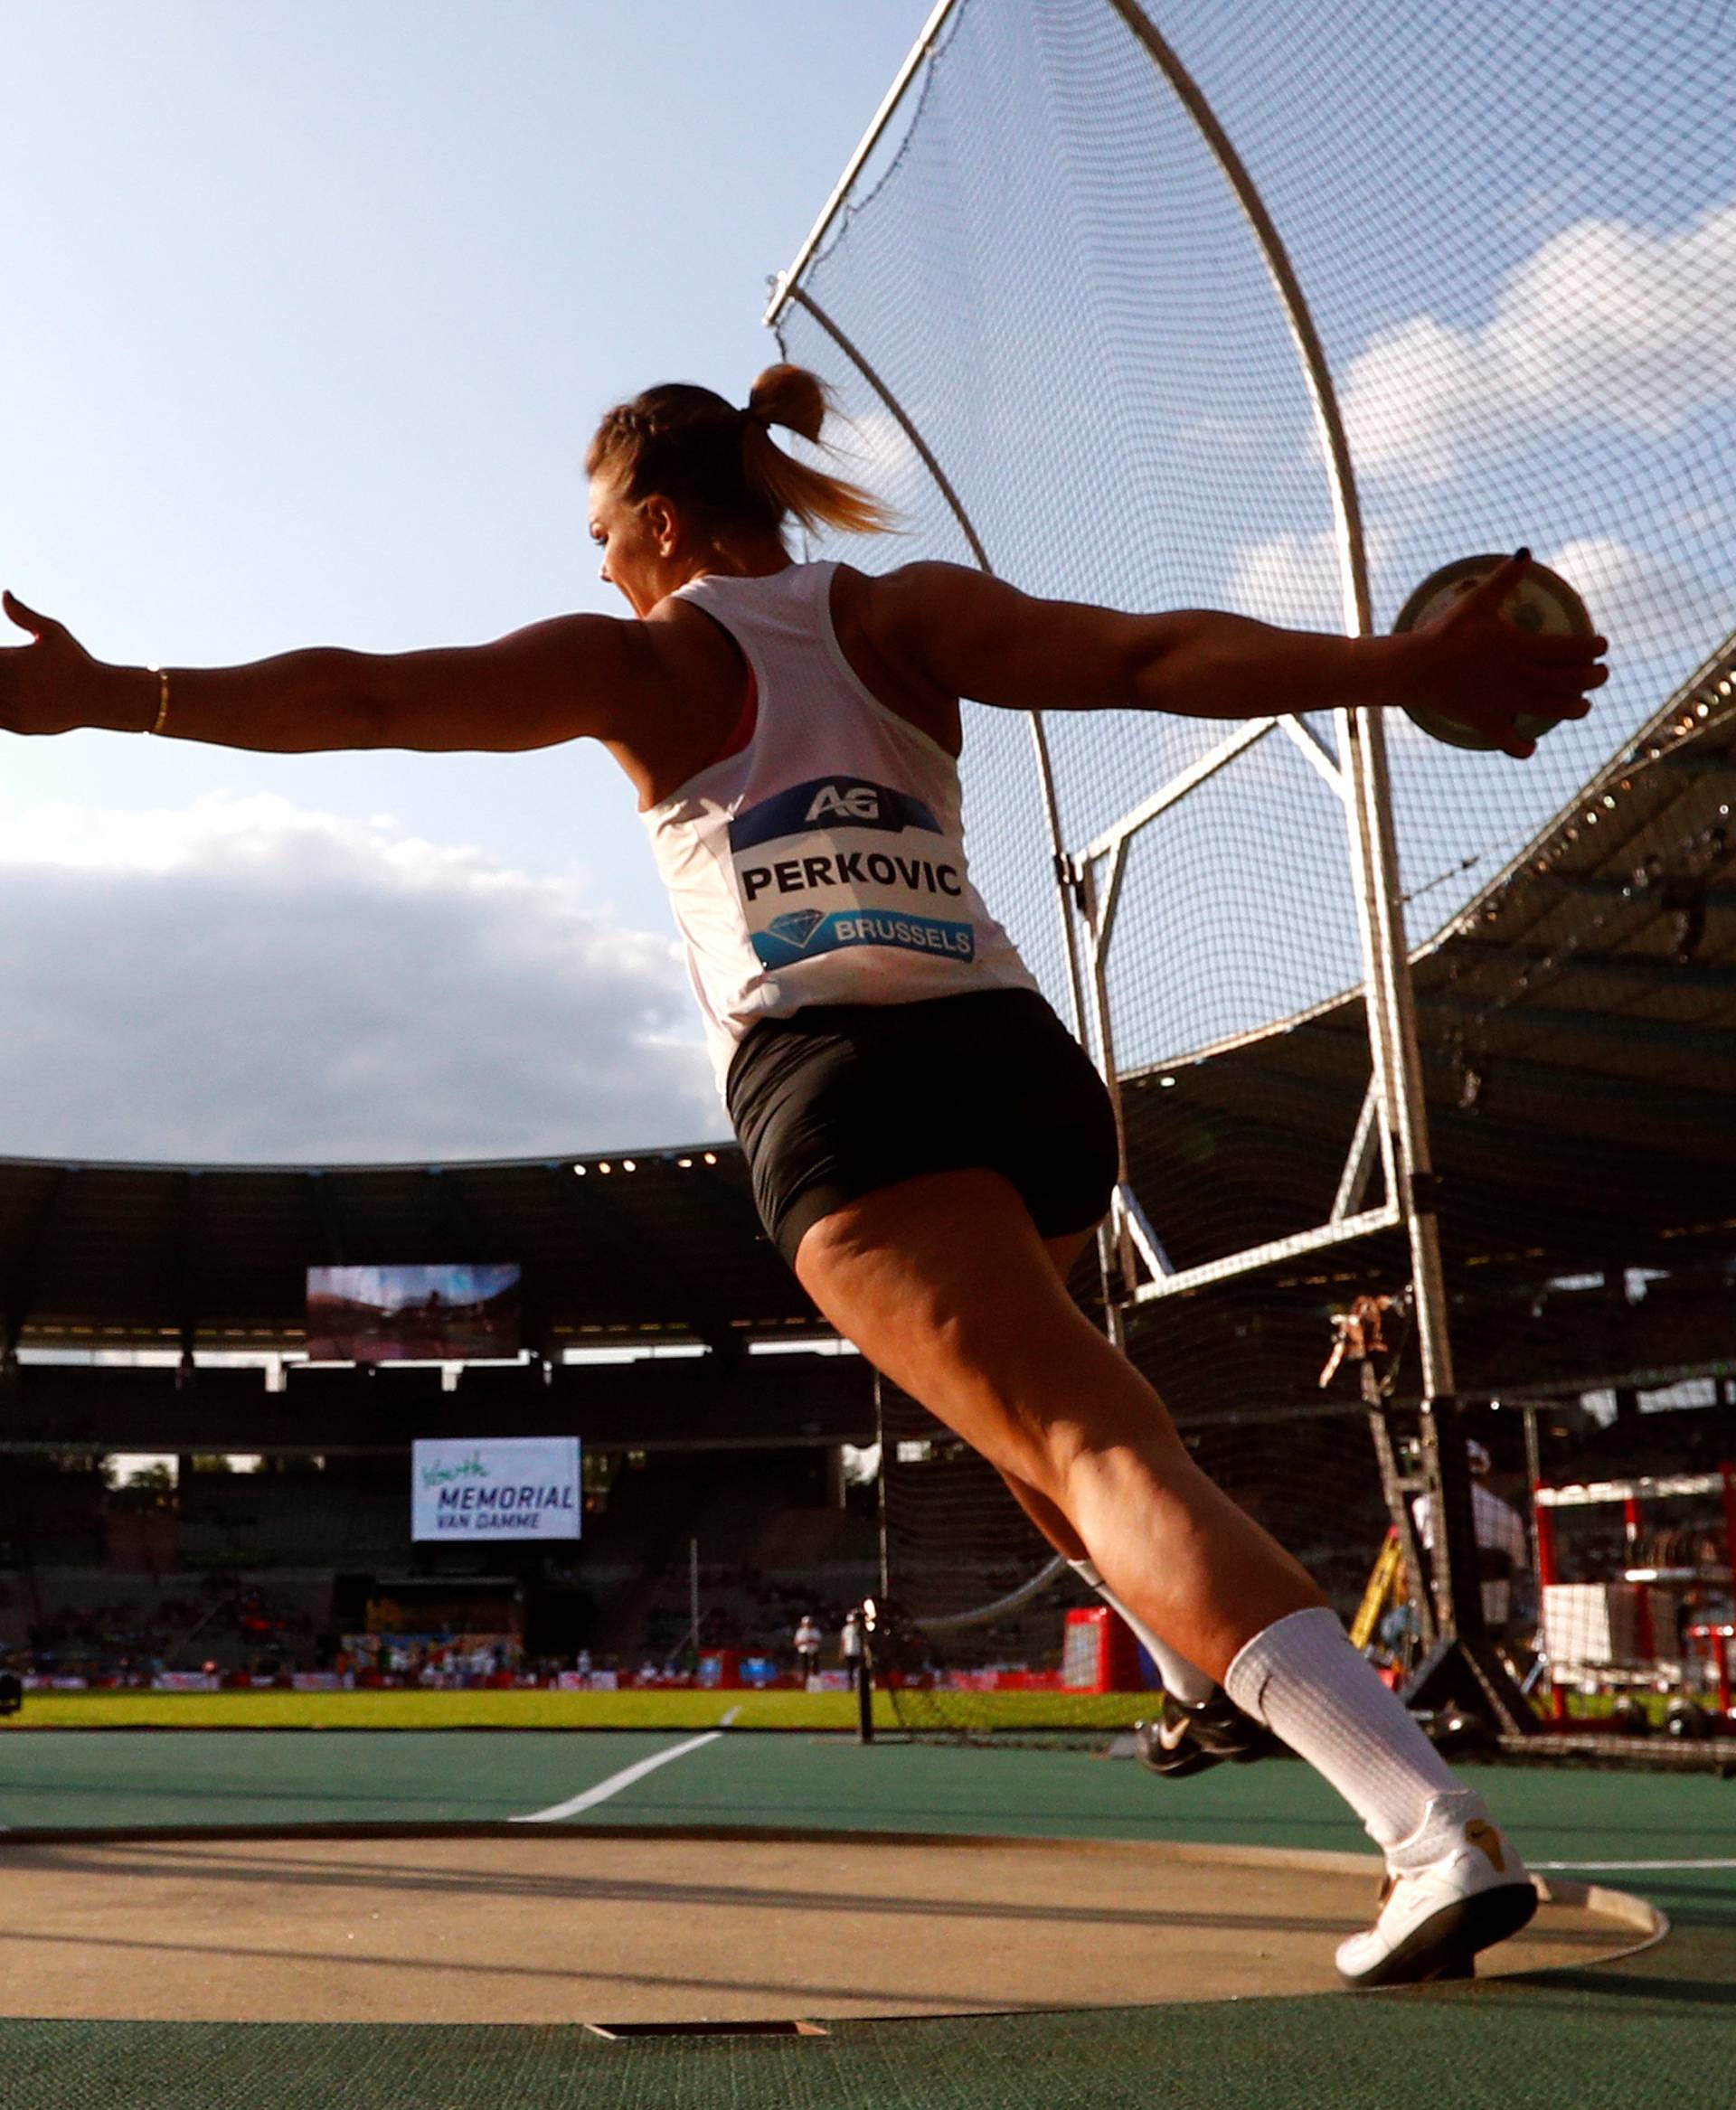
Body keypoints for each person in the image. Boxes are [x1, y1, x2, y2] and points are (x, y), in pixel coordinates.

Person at [0, 363, 1607, 1985]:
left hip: (844, 1084)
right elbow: (1148, 653)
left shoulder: (650, 658)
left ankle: (1429, 1829)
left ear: (664, 521)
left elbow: (369, 698)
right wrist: (1401, 664)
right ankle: (1211, 1669)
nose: (599, 562)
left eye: (601, 531)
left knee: (1078, 1433)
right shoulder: (901, 612)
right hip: (1020, 1068)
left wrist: (115, 695)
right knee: (1049, 1441)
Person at [1412, 1440, 1531, 1638]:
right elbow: (1518, 1568)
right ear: (1484, 1472)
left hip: (1440, 1615)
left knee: (1392, 1625)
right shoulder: (1509, 1514)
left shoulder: (1422, 1507)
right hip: (1495, 1617)